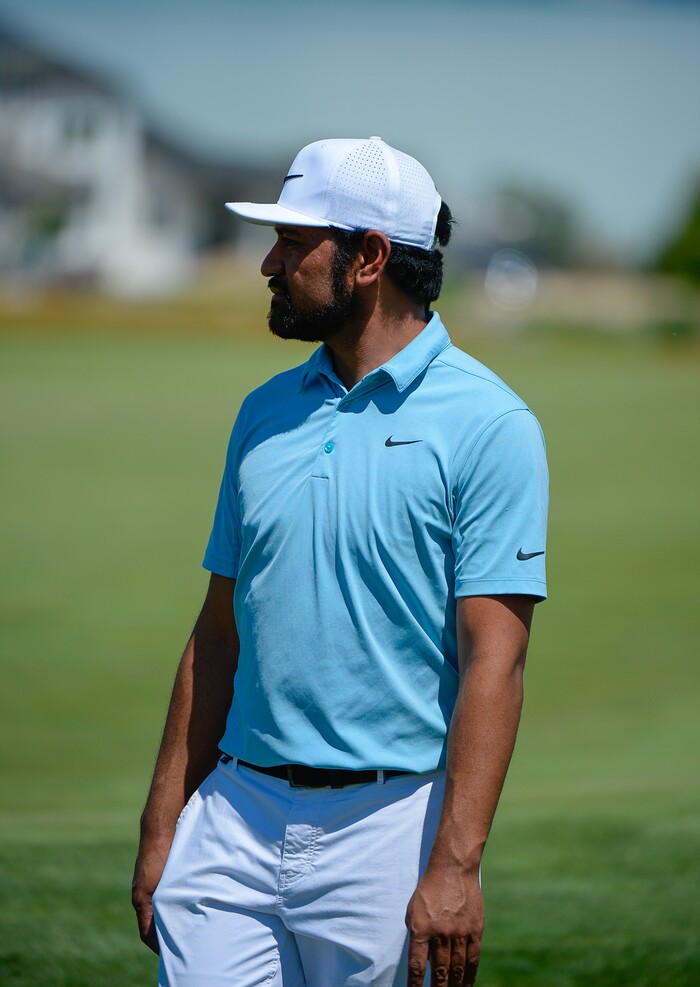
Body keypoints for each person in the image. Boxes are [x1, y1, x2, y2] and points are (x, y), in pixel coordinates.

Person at [132, 136, 549, 987]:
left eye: (293, 243)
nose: (267, 264)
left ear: (368, 257)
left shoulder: (492, 424)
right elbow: (218, 634)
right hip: (234, 816)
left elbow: (493, 661)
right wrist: (163, 825)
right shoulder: (263, 411)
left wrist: (457, 864)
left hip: (390, 828)